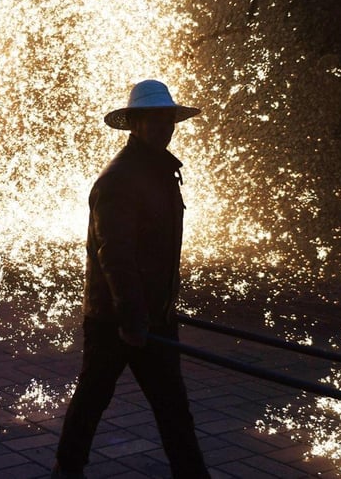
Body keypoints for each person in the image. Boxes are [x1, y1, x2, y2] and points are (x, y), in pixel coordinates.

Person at [52, 79, 210, 478]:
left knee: (173, 408)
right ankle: (66, 471)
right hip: (116, 317)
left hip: (151, 312)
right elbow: (116, 254)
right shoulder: (120, 178)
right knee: (93, 400)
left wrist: (155, 311)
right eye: (155, 120)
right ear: (135, 124)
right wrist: (133, 318)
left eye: (168, 119)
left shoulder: (160, 170)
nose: (165, 127)